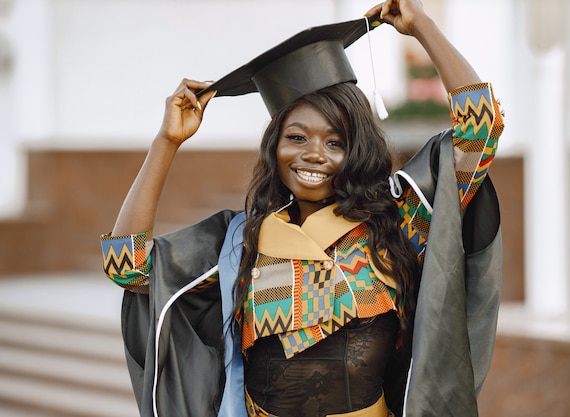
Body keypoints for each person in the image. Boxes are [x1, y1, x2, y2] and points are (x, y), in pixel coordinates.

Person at [100, 1, 504, 416]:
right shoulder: (241, 242)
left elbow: (481, 131)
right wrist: (166, 142)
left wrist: (423, 27)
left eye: (335, 142)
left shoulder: (395, 222)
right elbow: (126, 266)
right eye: (296, 138)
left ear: (357, 151)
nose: (313, 155)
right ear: (275, 147)